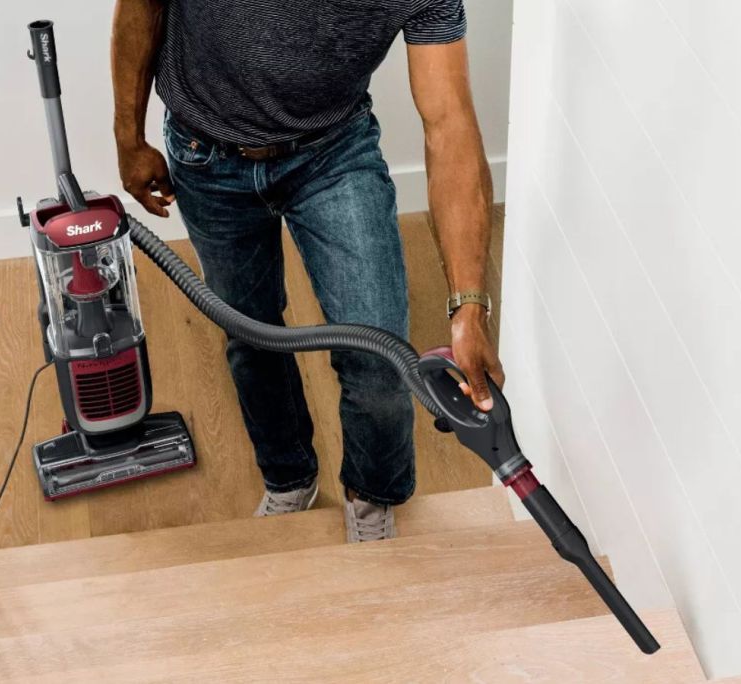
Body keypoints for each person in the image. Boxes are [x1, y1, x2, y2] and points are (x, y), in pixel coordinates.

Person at [111, 0, 503, 542]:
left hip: (332, 152)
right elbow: (142, 5)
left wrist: (469, 305)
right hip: (207, 155)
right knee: (251, 336)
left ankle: (372, 498)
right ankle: (289, 477)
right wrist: (128, 137)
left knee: (380, 355)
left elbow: (450, 122)